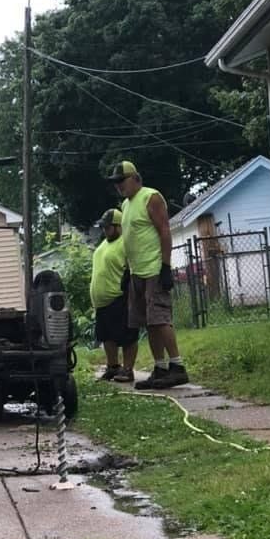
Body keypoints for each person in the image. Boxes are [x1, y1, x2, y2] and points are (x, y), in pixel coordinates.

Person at [106, 161, 189, 389]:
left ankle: (177, 366)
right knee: (149, 323)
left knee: (160, 319)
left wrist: (165, 266)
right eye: (116, 183)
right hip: (137, 272)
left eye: (121, 181)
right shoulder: (125, 205)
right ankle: (160, 368)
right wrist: (127, 270)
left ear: (135, 178)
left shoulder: (150, 197)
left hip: (153, 269)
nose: (119, 186)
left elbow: (164, 230)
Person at [89, 208, 139, 383]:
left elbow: (133, 266)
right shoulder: (104, 244)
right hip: (102, 302)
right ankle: (113, 367)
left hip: (119, 296)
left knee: (127, 335)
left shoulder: (126, 242)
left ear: (118, 226)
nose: (104, 231)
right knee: (106, 335)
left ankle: (127, 369)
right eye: (103, 228)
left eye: (108, 227)